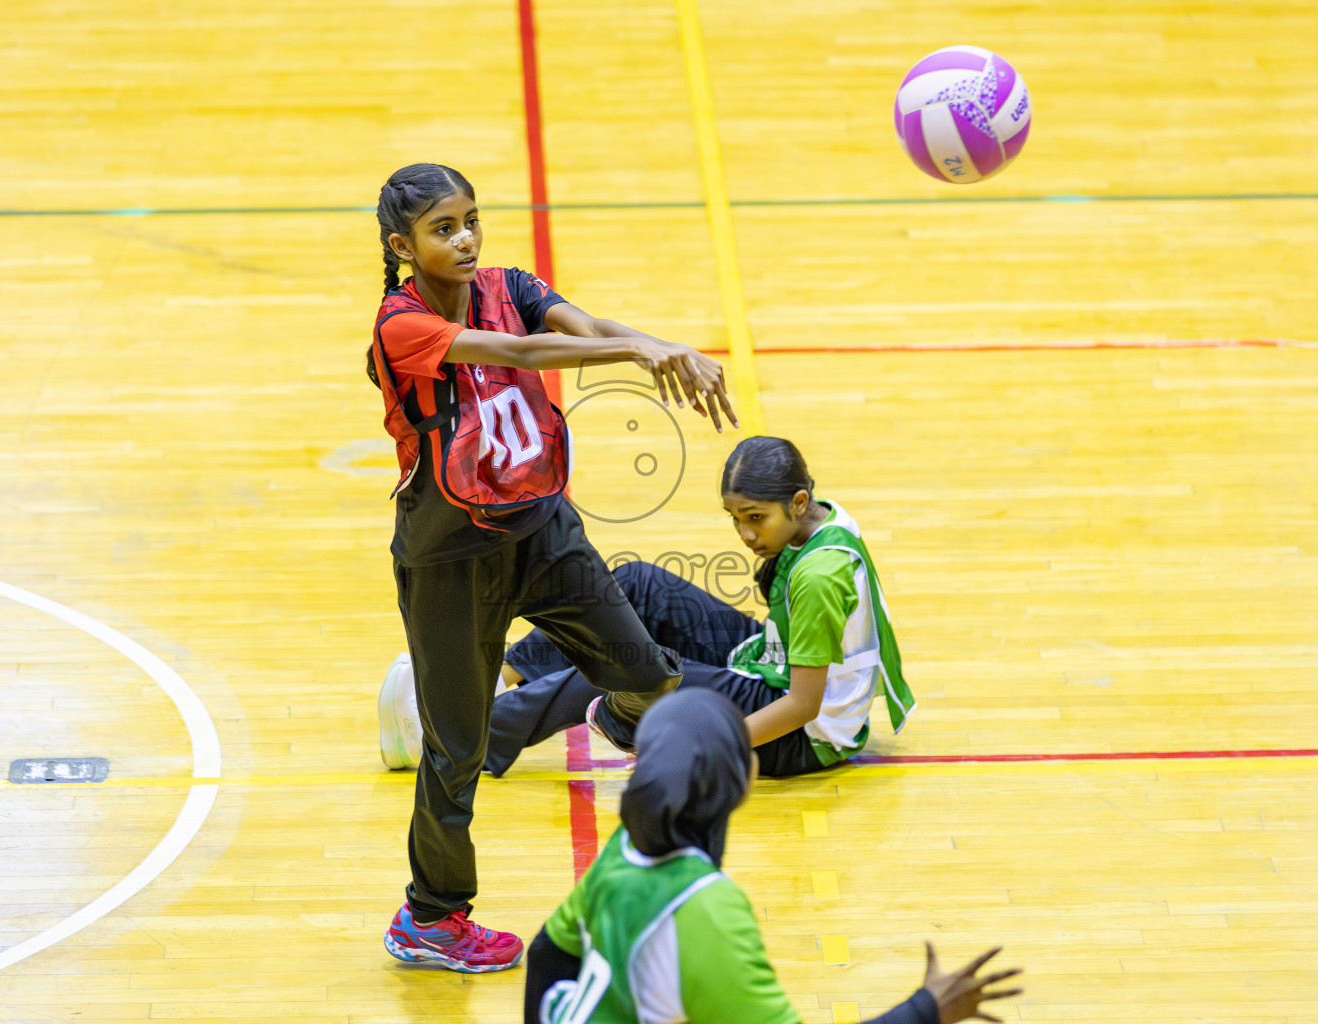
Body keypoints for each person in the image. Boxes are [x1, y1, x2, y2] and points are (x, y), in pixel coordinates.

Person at [367, 162, 738, 974]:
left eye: (471, 220)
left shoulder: (513, 283)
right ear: (403, 246)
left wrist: (654, 343)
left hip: (542, 531)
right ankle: (429, 917)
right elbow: (524, 352)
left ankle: (607, 716)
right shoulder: (401, 325)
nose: (465, 239)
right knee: (456, 753)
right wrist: (640, 352)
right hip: (450, 557)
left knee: (648, 677)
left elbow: (575, 323)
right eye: (442, 229)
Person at [522, 689, 1023, 1024]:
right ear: (746, 780)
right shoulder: (705, 910)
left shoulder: (624, 848)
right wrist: (926, 1008)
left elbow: (547, 952)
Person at [477, 435, 915, 778]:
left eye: (755, 517)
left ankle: (468, 740)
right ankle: (498, 678)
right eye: (735, 517)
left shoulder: (820, 576)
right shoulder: (824, 516)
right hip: (768, 661)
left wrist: (708, 744)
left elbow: (803, 706)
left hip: (799, 736)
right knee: (637, 583)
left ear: (798, 502)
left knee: (630, 670)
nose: (744, 534)